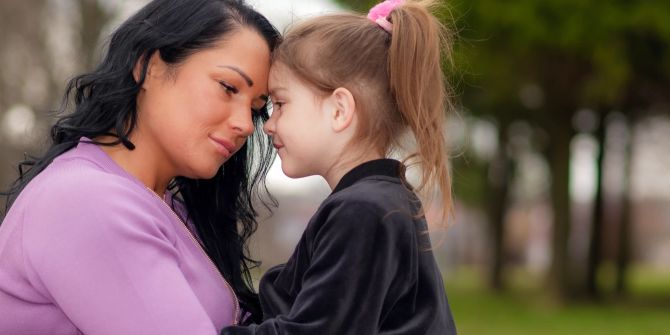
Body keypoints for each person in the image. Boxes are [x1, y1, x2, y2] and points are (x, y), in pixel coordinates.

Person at [0, 0, 280, 333]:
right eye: (229, 88)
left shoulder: (162, 207)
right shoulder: (88, 202)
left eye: (255, 108)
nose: (246, 125)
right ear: (148, 66)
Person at [221, 0, 457, 334]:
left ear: (339, 110)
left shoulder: (364, 211)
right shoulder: (378, 202)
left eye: (280, 104)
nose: (268, 125)